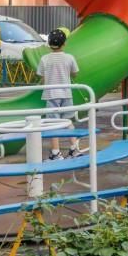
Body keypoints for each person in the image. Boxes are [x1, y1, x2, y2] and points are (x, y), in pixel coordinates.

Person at [37, 29, 80, 159]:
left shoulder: (44, 59)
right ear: (64, 44)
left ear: (49, 44)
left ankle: (56, 152)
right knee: (68, 121)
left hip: (51, 95)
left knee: (53, 124)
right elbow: (75, 73)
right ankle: (74, 149)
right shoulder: (69, 58)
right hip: (66, 94)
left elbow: (42, 77)